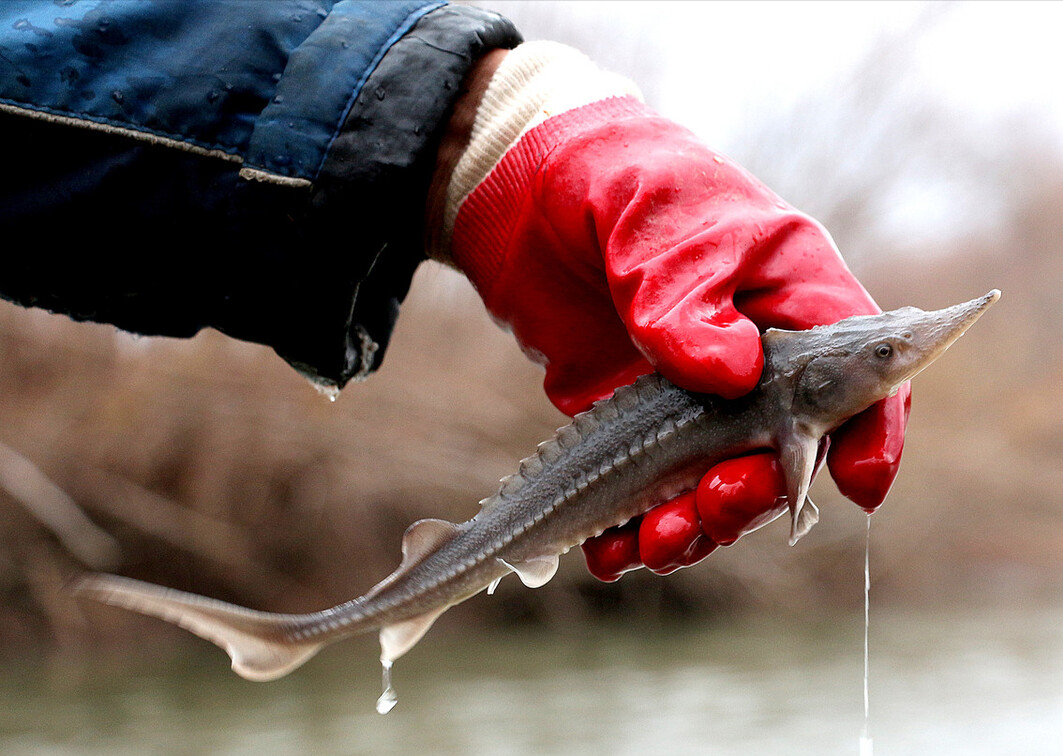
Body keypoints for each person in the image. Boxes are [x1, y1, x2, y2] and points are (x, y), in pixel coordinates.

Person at [0, 1, 909, 582]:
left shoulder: (798, 400)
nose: (899, 354)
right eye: (884, 351)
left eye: (891, 348)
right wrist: (460, 123)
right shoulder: (792, 400)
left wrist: (472, 131)